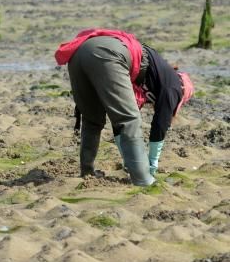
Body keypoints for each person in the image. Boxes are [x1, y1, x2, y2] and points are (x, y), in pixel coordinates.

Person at [55, 29, 194, 186]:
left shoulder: (158, 77)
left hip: (79, 53)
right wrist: (152, 165)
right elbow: (158, 126)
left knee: (92, 118)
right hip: (108, 53)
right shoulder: (174, 87)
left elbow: (118, 123)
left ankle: (87, 171)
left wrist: (128, 160)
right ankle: (143, 180)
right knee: (130, 119)